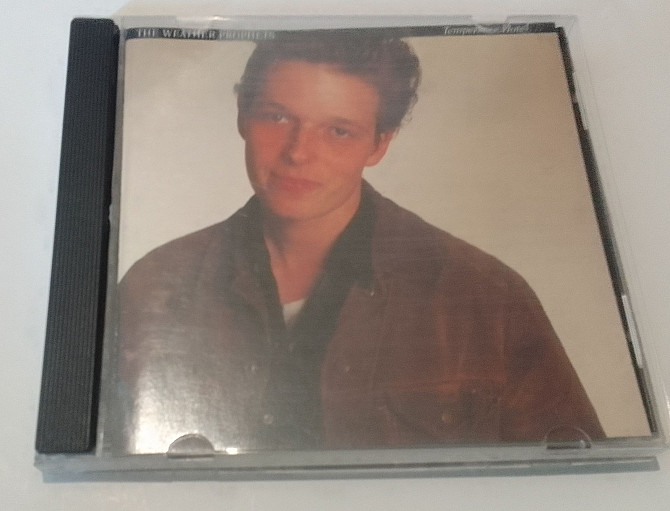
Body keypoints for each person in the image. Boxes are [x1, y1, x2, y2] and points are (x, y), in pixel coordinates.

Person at [114, 33, 604, 454]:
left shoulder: (484, 298)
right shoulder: (155, 286)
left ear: (379, 144)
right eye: (277, 117)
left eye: (338, 131)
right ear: (243, 116)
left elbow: (581, 485)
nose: (299, 152)